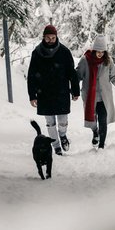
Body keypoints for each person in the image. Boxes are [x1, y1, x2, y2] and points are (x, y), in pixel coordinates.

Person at [27, 24, 80, 155]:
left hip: (61, 92)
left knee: (63, 121)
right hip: (44, 93)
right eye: (48, 38)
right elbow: (31, 75)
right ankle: (56, 146)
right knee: (50, 123)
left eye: (53, 37)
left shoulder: (64, 52)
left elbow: (71, 73)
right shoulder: (37, 53)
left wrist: (75, 91)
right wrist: (32, 95)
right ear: (43, 37)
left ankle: (62, 136)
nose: (50, 40)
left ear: (56, 37)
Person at [76, 34, 115, 150]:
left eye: (103, 51)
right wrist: (74, 91)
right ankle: (95, 132)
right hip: (90, 97)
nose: (100, 53)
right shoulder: (85, 60)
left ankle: (101, 146)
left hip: (104, 98)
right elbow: (77, 76)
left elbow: (114, 78)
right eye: (98, 51)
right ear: (94, 49)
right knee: (92, 121)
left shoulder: (108, 61)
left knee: (103, 121)